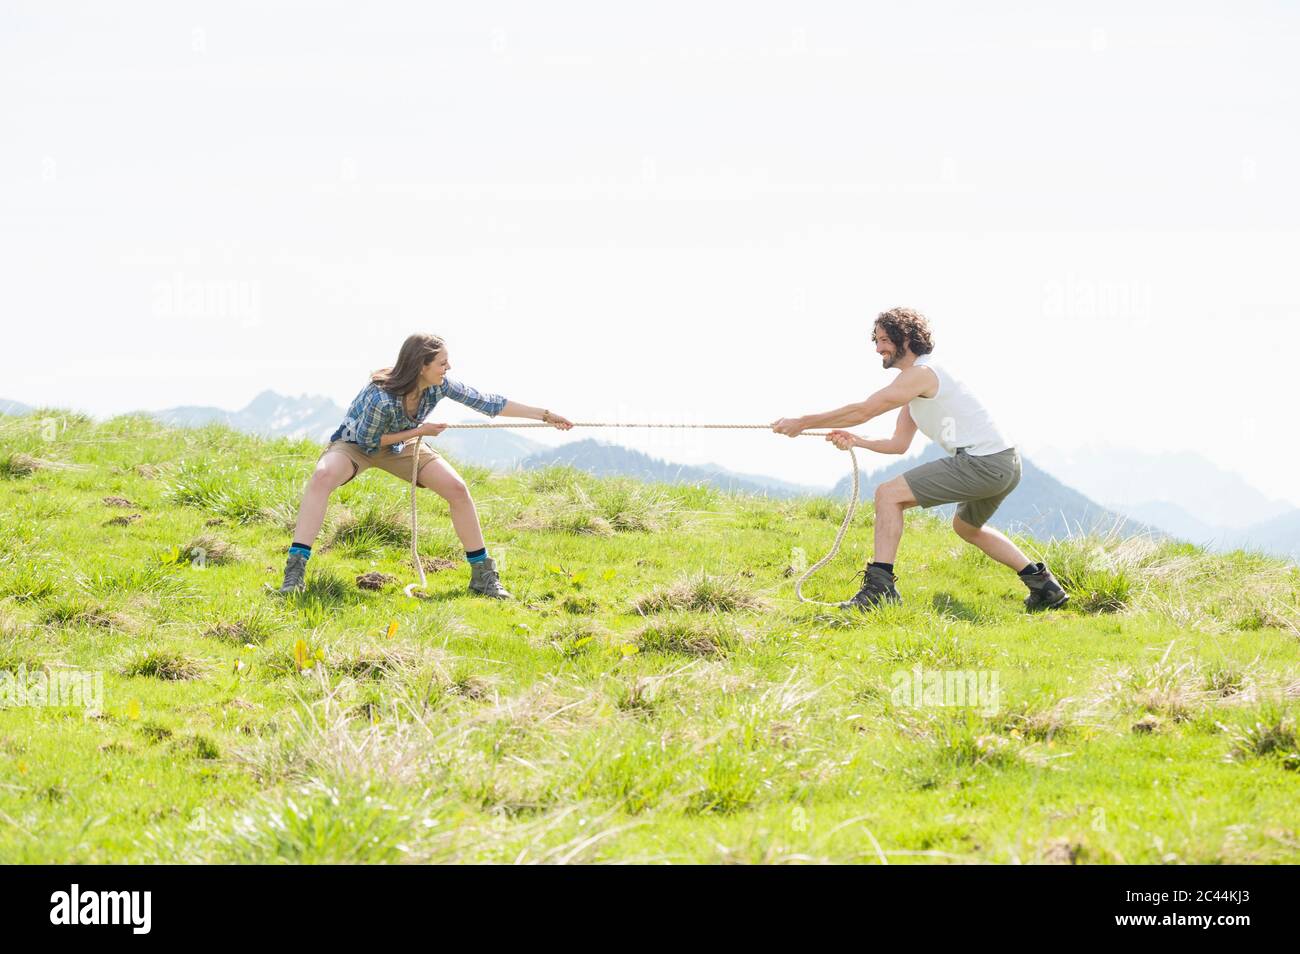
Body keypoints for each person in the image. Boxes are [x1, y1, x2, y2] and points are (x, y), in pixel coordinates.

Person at [772, 307, 1068, 612]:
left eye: (884, 339)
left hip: (983, 463)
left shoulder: (923, 374)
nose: (878, 348)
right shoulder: (914, 388)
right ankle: (1044, 586)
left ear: (907, 338)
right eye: (875, 340)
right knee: (966, 528)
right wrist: (857, 441)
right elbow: (898, 444)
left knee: (887, 495)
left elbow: (865, 410)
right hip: (1004, 463)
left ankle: (879, 590)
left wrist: (803, 422)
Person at [277, 333, 573, 598]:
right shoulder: (380, 396)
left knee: (457, 489)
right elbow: (371, 440)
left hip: (400, 445)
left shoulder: (438, 386)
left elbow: (488, 403)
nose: (449, 368)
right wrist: (420, 431)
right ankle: (295, 572)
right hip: (358, 445)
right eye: (443, 363)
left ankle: (483, 577)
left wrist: (545, 415)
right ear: (422, 366)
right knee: (322, 476)